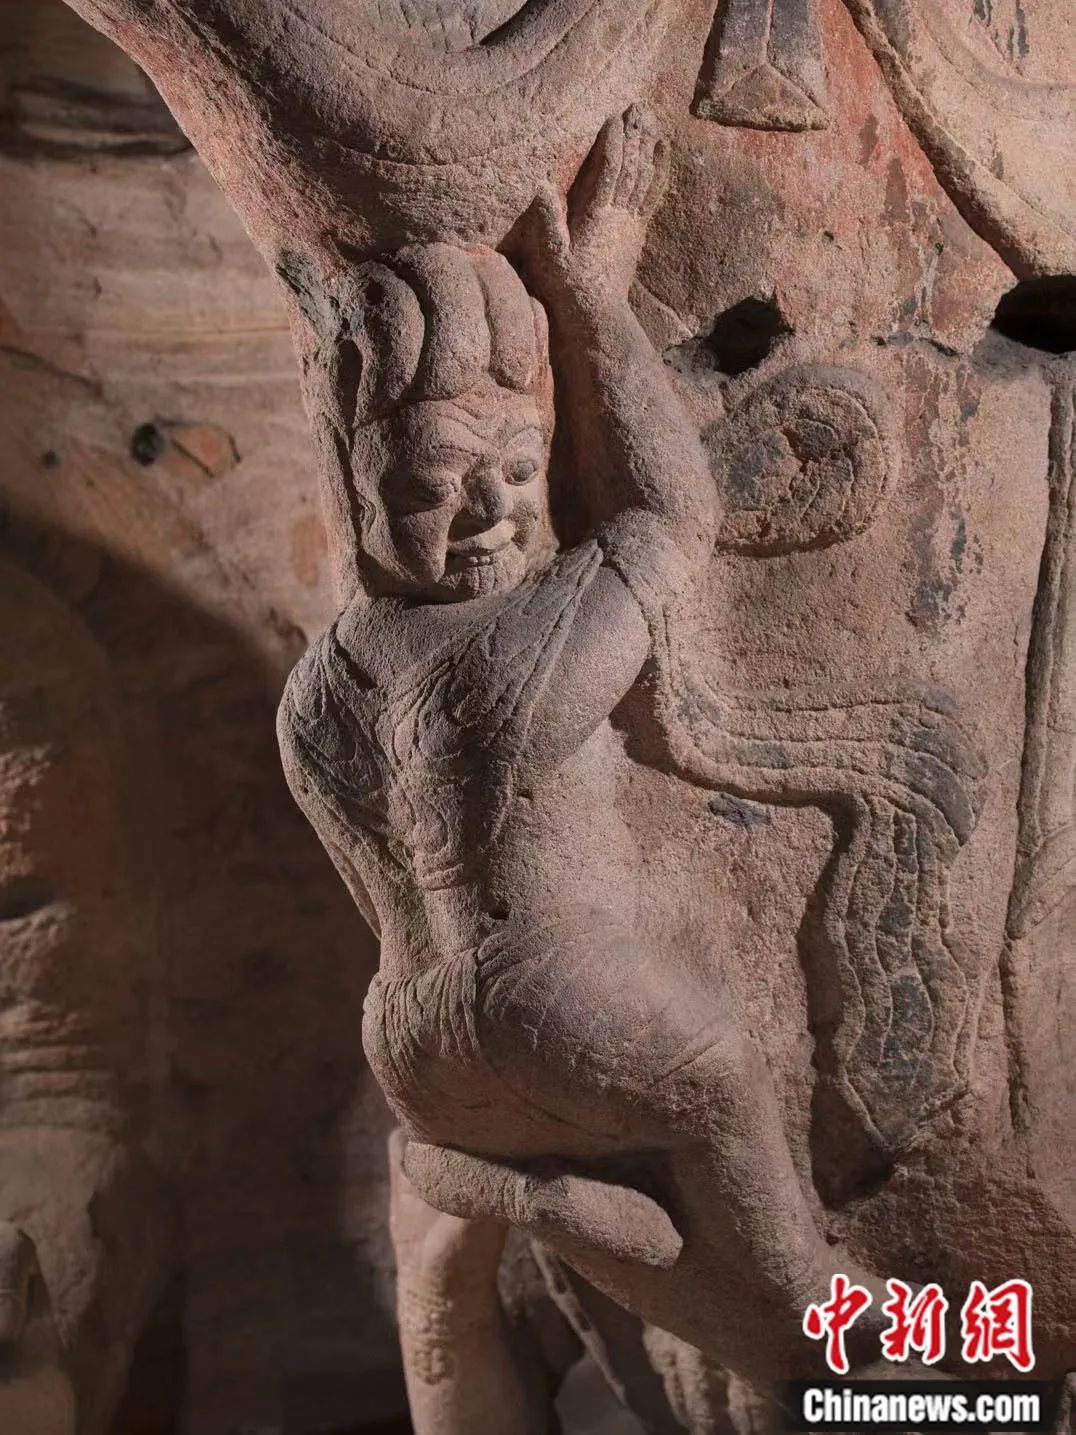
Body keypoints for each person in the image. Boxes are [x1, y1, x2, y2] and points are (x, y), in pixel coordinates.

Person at [278, 103, 891, 1392]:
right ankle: (889, 1373)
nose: (493, 510)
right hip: (570, 1003)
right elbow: (674, 511)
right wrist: (584, 290)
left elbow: (374, 886)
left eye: (519, 469)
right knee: (769, 1202)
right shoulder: (532, 635)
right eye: (437, 481)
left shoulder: (316, 692)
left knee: (565, 1183)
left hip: (414, 1044)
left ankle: (527, 1198)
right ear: (364, 483)